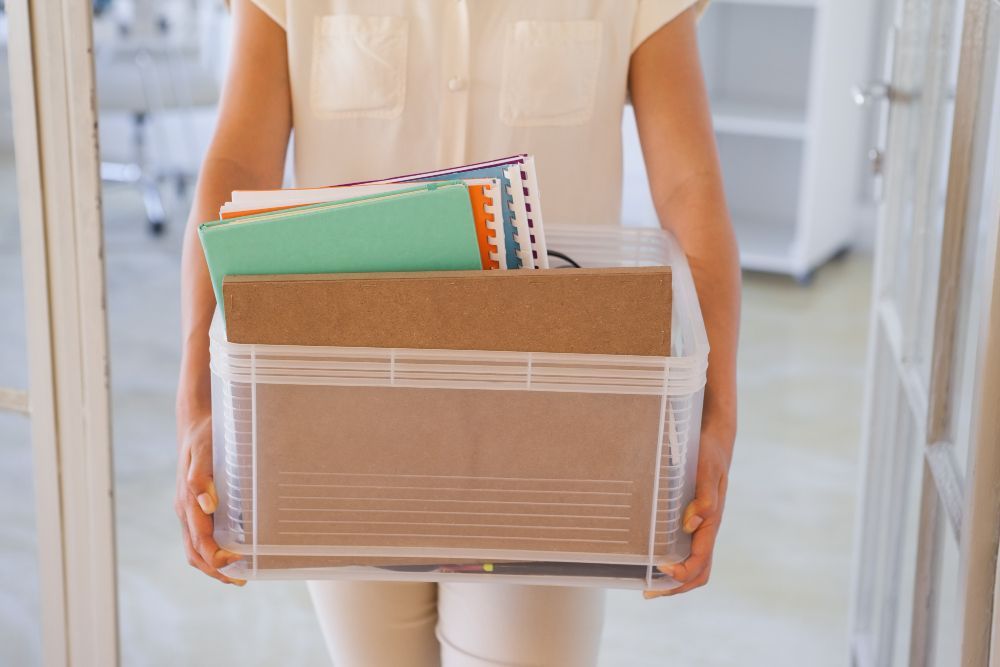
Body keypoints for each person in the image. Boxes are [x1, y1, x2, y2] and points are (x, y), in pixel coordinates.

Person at [174, 1, 739, 665]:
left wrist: (717, 412)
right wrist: (197, 401)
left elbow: (688, 183)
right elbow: (240, 164)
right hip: (339, 414)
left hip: (556, 426)